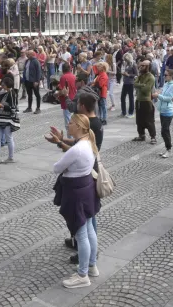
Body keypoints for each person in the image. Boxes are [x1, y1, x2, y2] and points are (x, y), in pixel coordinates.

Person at [51, 114, 100, 289]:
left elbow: (56, 168)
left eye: (71, 123)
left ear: (79, 127)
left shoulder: (77, 149)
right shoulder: (88, 144)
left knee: (81, 234)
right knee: (88, 228)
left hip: (75, 193)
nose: (68, 125)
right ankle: (92, 266)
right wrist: (59, 140)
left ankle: (82, 275)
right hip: (86, 189)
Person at [0, 76, 17, 164]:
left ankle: (10, 157)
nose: (2, 86)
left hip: (8, 119)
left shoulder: (12, 93)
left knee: (8, 138)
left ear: (7, 85)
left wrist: (2, 106)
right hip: (3, 118)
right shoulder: (7, 92)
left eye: (3, 84)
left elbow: (13, 108)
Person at [154, 68, 173, 158]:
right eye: (164, 75)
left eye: (166, 75)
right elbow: (163, 93)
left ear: (171, 76)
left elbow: (170, 98)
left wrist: (158, 96)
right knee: (163, 131)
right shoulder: (167, 83)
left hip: (168, 111)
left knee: (165, 131)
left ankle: (169, 149)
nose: (164, 76)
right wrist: (159, 93)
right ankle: (167, 148)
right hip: (162, 110)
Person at [133, 59, 157, 144]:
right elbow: (134, 84)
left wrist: (140, 86)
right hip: (139, 100)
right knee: (139, 120)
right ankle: (141, 135)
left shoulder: (151, 77)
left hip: (146, 101)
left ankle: (153, 137)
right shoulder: (140, 76)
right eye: (141, 65)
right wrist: (142, 85)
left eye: (143, 65)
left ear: (148, 67)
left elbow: (146, 90)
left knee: (149, 120)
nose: (141, 67)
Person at [58, 62, 77, 131]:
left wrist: (56, 94)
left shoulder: (63, 77)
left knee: (68, 123)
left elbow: (63, 91)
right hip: (74, 99)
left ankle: (71, 139)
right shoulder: (74, 76)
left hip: (66, 100)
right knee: (73, 120)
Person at [22, 50, 42, 114]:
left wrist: (37, 81)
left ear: (32, 54)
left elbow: (39, 72)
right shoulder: (27, 61)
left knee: (37, 95)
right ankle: (29, 107)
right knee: (29, 95)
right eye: (27, 54)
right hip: (27, 81)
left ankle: (38, 108)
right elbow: (25, 70)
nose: (27, 55)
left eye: (28, 54)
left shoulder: (36, 61)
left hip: (34, 81)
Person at [120, 52, 137, 118]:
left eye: (126, 59)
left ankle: (131, 112)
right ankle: (123, 112)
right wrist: (123, 73)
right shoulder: (126, 64)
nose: (125, 60)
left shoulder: (133, 65)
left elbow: (136, 74)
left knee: (131, 98)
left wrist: (129, 75)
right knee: (122, 97)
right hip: (125, 82)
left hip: (131, 83)